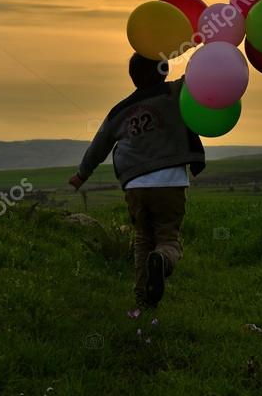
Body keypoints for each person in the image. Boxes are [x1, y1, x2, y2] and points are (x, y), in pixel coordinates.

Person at [69, 54, 206, 309]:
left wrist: (81, 174)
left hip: (135, 185)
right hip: (169, 182)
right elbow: (201, 77)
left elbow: (99, 145)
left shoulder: (119, 111)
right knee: (168, 238)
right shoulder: (175, 92)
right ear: (164, 70)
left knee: (143, 238)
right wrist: (210, 47)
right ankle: (162, 260)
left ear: (133, 77)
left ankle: (143, 299)